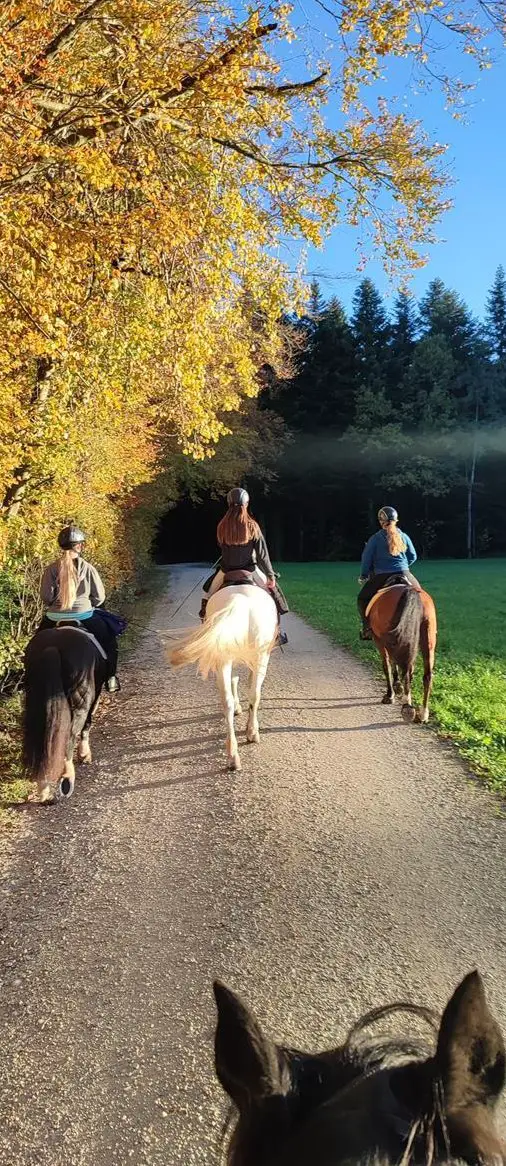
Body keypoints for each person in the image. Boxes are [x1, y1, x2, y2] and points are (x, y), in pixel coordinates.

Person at [199, 488, 289, 645]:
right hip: (250, 570)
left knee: (207, 596)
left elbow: (222, 545)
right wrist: (270, 576)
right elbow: (262, 554)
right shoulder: (252, 526)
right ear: (246, 504)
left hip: (226, 570)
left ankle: (206, 629)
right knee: (273, 595)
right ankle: (276, 633)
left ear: (228, 504)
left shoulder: (222, 526)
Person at [39, 525, 121, 692]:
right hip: (84, 615)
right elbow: (99, 598)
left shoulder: (51, 569)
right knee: (110, 643)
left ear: (61, 546)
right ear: (80, 545)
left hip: (54, 617)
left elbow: (46, 597)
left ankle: (30, 678)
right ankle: (111, 679)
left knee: (35, 645)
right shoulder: (89, 568)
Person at [357, 506, 418, 640]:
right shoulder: (404, 536)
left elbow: (366, 559)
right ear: (396, 520)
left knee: (362, 599)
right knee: (419, 595)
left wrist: (364, 575)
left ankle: (367, 628)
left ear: (381, 521)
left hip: (382, 576)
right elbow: (413, 556)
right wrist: (403, 566)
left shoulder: (375, 539)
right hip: (404, 572)